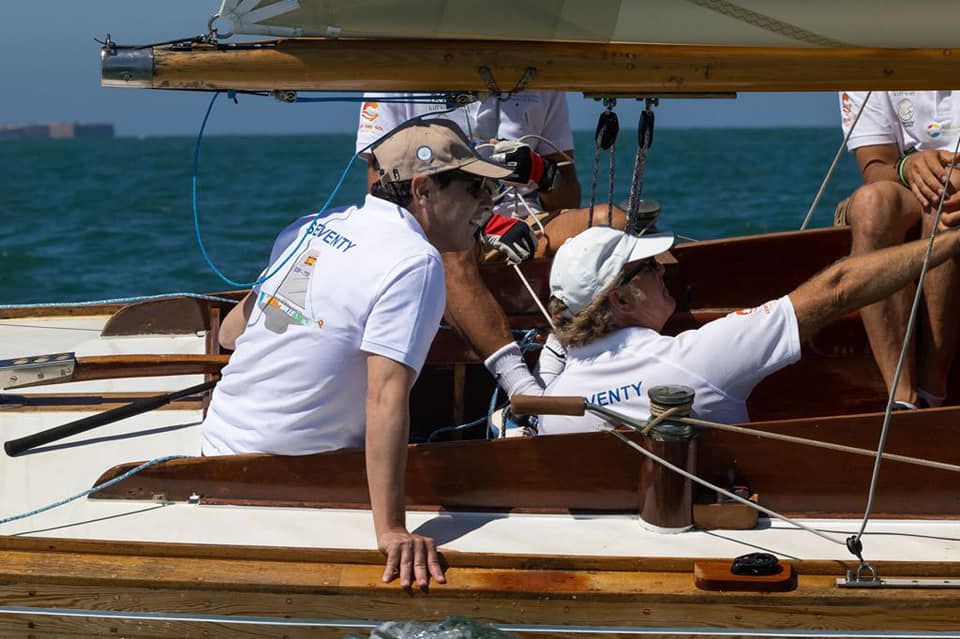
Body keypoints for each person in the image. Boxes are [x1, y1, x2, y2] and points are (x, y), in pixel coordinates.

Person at [201, 119, 512, 589]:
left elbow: (232, 332)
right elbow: (385, 396)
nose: (488, 202)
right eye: (474, 188)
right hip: (288, 469)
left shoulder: (312, 226)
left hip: (216, 444)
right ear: (423, 189)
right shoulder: (415, 261)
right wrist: (391, 530)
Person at [536, 222, 960, 434]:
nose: (663, 270)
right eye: (648, 267)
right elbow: (837, 289)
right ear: (621, 300)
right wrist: (952, 242)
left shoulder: (552, 405)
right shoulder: (693, 359)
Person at [356, 93, 625, 399]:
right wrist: (483, 221)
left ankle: (581, 366)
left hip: (527, 223)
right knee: (447, 250)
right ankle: (525, 393)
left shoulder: (545, 84)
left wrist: (541, 172)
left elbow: (568, 198)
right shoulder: (398, 80)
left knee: (614, 222)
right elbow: (383, 193)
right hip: (447, 222)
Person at [836, 91, 960, 410]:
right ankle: (902, 398)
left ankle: (932, 390)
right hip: (917, 190)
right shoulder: (872, 65)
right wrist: (909, 167)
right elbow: (876, 166)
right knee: (871, 204)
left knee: (945, 205)